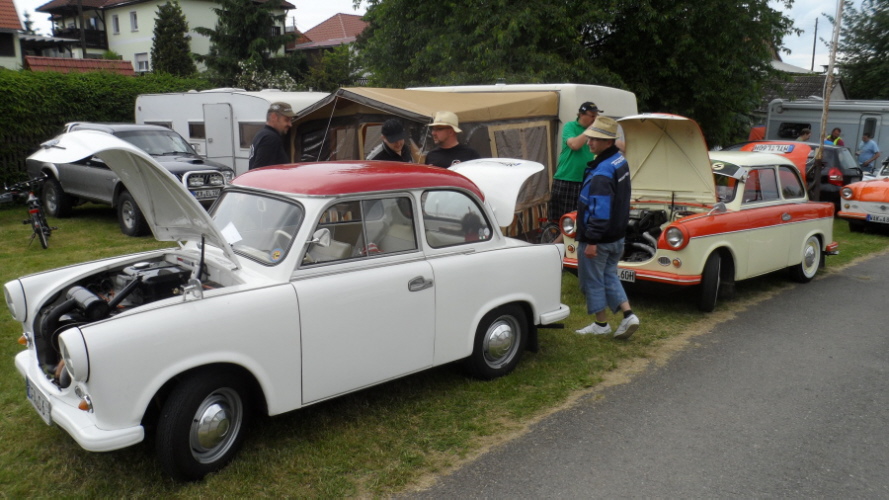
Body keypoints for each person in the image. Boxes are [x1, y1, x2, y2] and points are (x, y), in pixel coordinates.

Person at [574, 116, 640, 340]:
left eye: (595, 139)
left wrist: (592, 240)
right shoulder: (619, 161)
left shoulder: (602, 172)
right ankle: (628, 315)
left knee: (592, 281)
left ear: (609, 142)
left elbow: (600, 210)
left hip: (599, 239)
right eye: (590, 137)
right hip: (617, 235)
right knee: (610, 275)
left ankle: (601, 324)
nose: (589, 142)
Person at [549, 102, 600, 226]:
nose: (595, 119)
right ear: (582, 115)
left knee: (582, 219)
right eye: (592, 116)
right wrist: (591, 129)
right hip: (567, 179)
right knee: (564, 220)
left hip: (588, 180)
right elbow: (574, 145)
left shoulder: (596, 131)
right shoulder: (570, 126)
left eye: (596, 116)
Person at [248, 102, 294, 170]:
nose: (290, 124)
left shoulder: (261, 134)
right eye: (286, 120)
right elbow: (261, 171)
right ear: (273, 117)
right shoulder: (270, 139)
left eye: (290, 120)